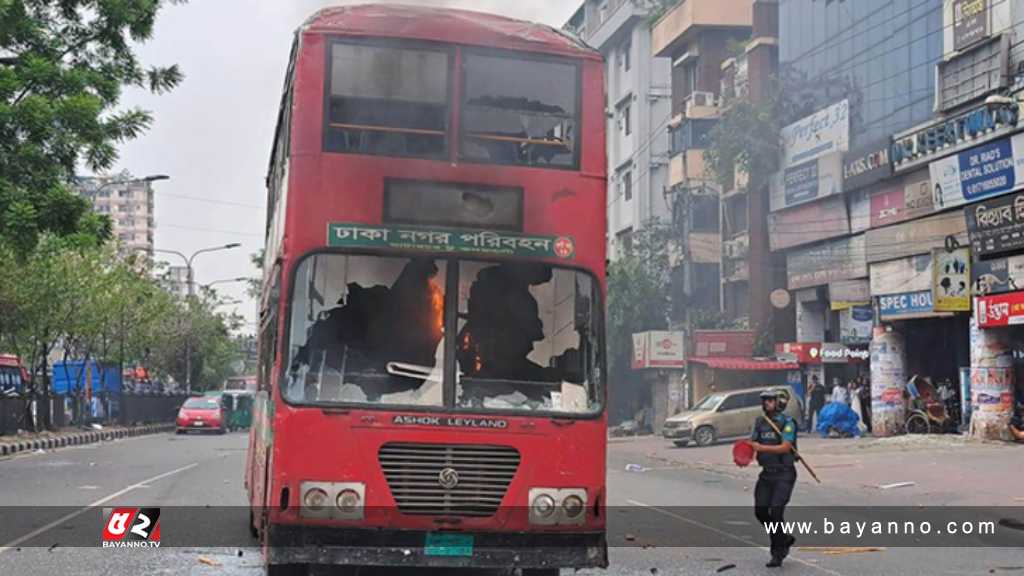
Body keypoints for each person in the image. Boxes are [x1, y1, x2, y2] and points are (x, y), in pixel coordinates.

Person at [749, 388, 799, 568]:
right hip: (766, 475)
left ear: (779, 402)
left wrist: (761, 448)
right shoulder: (760, 422)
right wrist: (743, 454)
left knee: (776, 513)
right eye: (764, 401)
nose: (766, 404)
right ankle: (784, 538)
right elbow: (752, 444)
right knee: (761, 512)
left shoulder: (788, 422)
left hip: (784, 474)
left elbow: (786, 447)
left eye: (770, 400)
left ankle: (777, 552)